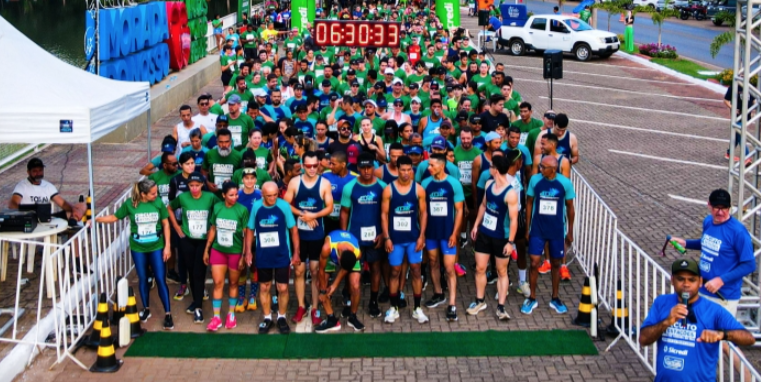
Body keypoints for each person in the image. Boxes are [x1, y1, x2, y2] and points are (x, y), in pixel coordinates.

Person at [639, 258, 754, 381]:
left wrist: (722, 334)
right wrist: (667, 322)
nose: (686, 284)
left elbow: (748, 338)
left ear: (700, 282)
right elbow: (643, 339)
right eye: (680, 279)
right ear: (672, 280)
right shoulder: (661, 302)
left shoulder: (714, 310)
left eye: (692, 280)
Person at [95, 179, 174, 330]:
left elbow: (165, 224)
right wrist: (96, 219)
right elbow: (114, 217)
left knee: (160, 279)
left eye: (156, 192)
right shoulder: (130, 204)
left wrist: (167, 246)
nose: (155, 195)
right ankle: (146, 309)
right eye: (152, 193)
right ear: (143, 194)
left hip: (157, 246)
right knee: (143, 278)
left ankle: (168, 313)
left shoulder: (158, 203)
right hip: (138, 248)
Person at [670, 189, 756, 316]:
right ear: (709, 205)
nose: (720, 212)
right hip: (702, 290)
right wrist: (686, 243)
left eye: (725, 208)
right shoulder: (708, 221)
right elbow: (708, 243)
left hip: (723, 296)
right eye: (716, 208)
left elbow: (749, 265)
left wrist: (721, 280)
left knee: (717, 335)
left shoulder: (738, 232)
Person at [283, 151, 334, 326]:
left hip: (316, 235)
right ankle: (301, 305)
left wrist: (315, 215)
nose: (312, 169)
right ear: (303, 165)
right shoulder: (295, 182)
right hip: (299, 235)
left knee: (314, 271)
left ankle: (314, 307)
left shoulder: (324, 183)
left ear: (319, 164)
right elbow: (286, 203)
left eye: (315, 165)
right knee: (298, 271)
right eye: (308, 166)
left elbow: (329, 207)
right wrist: (303, 214)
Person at [522, 155, 575, 315]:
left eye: (543, 167)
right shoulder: (535, 180)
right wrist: (527, 228)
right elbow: (529, 202)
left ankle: (555, 297)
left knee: (556, 263)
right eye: (540, 166)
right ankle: (532, 297)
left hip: (557, 230)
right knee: (534, 262)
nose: (540, 169)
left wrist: (570, 231)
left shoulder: (564, 183)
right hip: (537, 228)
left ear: (553, 169)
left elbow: (570, 207)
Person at [245, 182, 300, 334]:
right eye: (269, 196)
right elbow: (250, 229)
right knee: (264, 287)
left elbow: (293, 230)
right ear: (262, 194)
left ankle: (282, 317)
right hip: (264, 255)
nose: (273, 198)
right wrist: (248, 251)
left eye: (275, 195)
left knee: (282, 288)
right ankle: (268, 317)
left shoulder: (284, 206)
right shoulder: (256, 207)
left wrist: (296, 252)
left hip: (282, 254)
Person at [469, 155, 518, 320]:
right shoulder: (489, 184)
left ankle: (501, 307)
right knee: (480, 268)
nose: (489, 168)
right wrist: (476, 225)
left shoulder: (510, 193)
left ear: (495, 169)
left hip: (501, 237)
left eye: (491, 166)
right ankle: (479, 301)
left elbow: (513, 220)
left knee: (501, 271)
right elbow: (484, 205)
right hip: (485, 234)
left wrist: (510, 242)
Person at [380, 155, 428, 324]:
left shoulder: (418, 189)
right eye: (403, 170)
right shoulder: (389, 190)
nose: (406, 173)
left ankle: (417, 308)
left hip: (413, 238)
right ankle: (393, 308)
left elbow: (423, 214)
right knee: (394, 271)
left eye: (409, 170)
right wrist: (386, 237)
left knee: (416, 270)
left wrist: (422, 235)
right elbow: (384, 215)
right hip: (395, 239)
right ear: (397, 170)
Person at [340, 152, 387, 318]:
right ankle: (349, 299)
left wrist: (383, 234)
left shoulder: (382, 187)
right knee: (352, 270)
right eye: (363, 167)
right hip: (355, 238)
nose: (366, 171)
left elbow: (386, 213)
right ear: (358, 168)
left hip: (376, 237)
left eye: (369, 167)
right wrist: (345, 236)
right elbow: (344, 212)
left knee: (375, 268)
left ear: (374, 167)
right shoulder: (349, 187)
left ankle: (373, 301)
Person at [167, 172, 217, 323]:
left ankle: (198, 308)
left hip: (203, 240)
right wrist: (177, 227)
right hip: (187, 239)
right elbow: (169, 208)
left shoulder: (210, 198)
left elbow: (219, 209)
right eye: (191, 186)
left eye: (197, 185)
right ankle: (196, 301)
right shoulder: (182, 198)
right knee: (190, 271)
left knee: (198, 272)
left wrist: (212, 227)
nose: (194, 188)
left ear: (202, 185)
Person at [421, 154, 465, 321]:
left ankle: (452, 304)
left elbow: (460, 210)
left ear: (442, 165)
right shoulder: (425, 184)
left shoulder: (453, 184)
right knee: (432, 263)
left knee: (449, 268)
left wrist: (454, 233)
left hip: (448, 234)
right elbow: (423, 211)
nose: (428, 168)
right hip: (431, 233)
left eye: (431, 165)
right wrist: (423, 233)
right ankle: (438, 293)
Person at [203, 181, 249, 331]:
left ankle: (231, 314)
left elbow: (246, 235)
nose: (235, 197)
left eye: (236, 194)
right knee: (217, 283)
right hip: (218, 250)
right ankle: (216, 317)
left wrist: (243, 255)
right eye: (231, 195)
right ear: (223, 195)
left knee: (234, 283)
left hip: (235, 252)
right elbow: (213, 229)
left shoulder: (242, 211)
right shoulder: (217, 207)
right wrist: (207, 249)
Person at [314, 230, 365, 332]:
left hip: (349, 257)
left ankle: (352, 316)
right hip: (330, 255)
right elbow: (321, 271)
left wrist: (334, 285)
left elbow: (344, 269)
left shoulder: (357, 253)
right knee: (320, 283)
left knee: (355, 285)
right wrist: (323, 291)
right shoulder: (327, 248)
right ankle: (331, 320)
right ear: (339, 257)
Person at [9, 158, 85, 221]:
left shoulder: (48, 186)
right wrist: (24, 213)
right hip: (29, 218)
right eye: (35, 171)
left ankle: (71, 235)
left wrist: (74, 210)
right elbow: (13, 204)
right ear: (28, 172)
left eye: (40, 170)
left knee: (78, 209)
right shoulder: (22, 186)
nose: (38, 173)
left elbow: (62, 203)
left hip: (48, 218)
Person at [202, 129, 243, 194]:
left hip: (232, 196)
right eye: (221, 142)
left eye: (226, 142)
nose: (224, 145)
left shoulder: (238, 156)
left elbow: (241, 175)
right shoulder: (209, 154)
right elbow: (203, 169)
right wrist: (207, 183)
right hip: (214, 194)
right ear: (217, 142)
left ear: (231, 142)